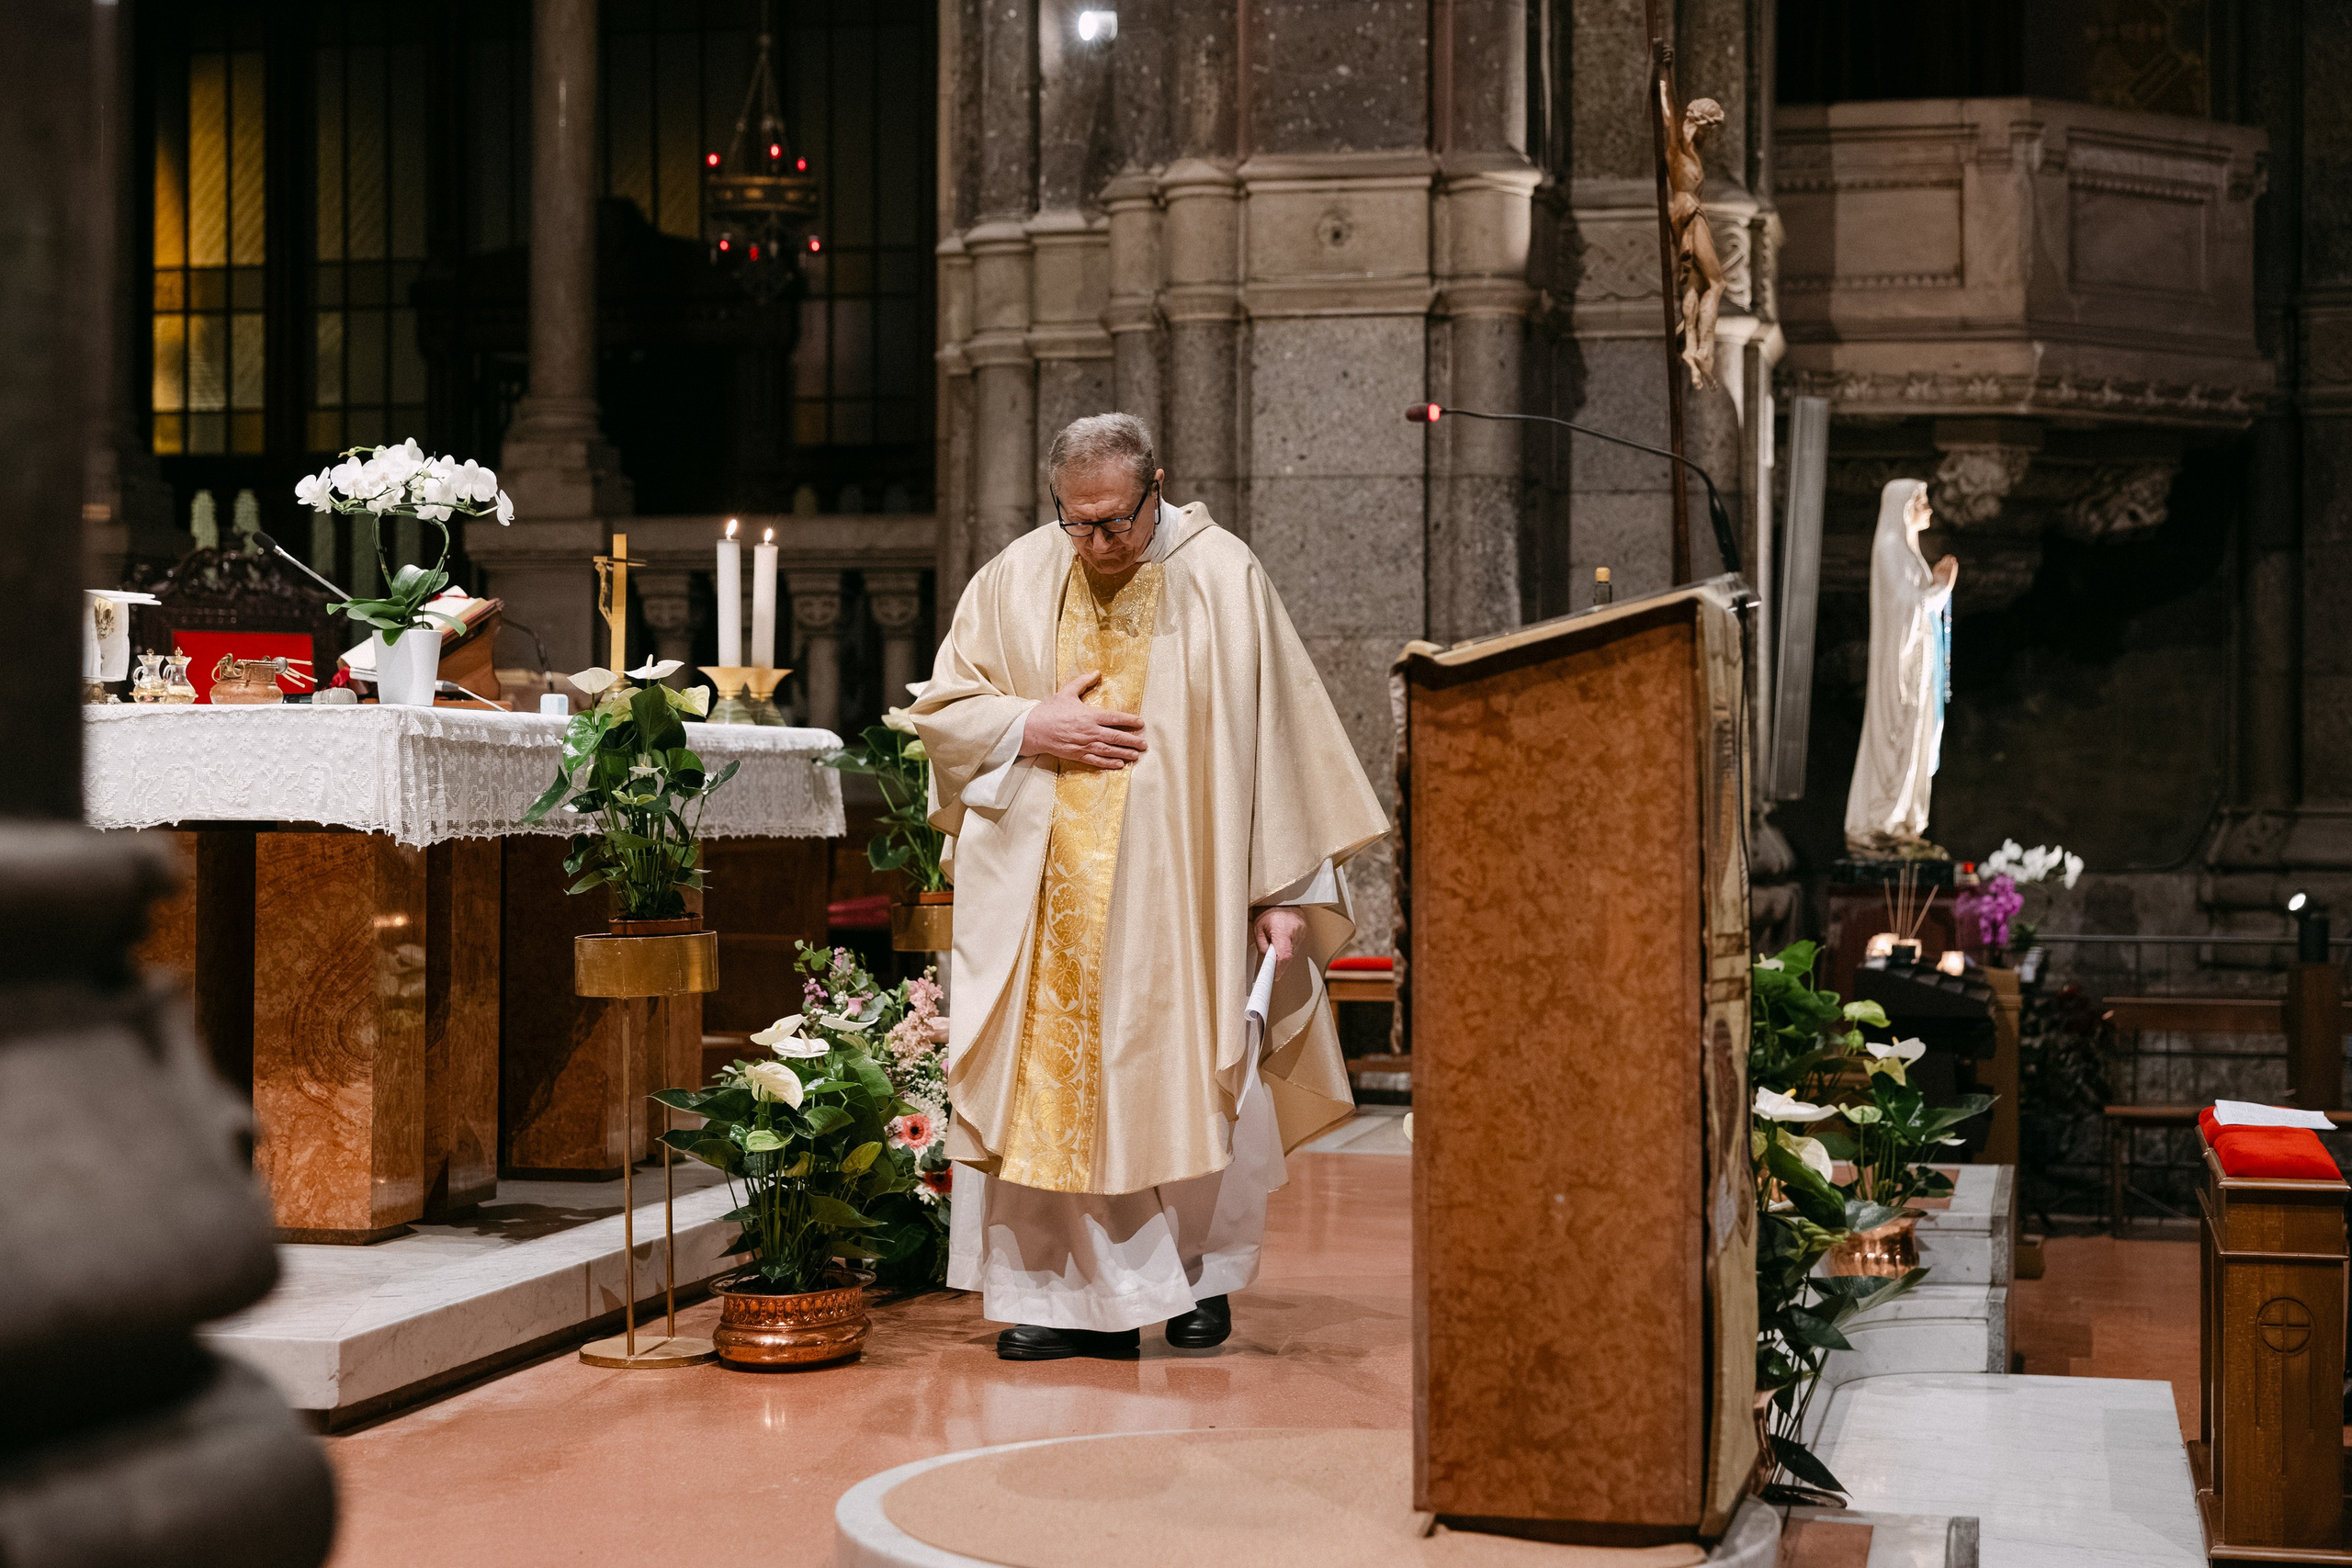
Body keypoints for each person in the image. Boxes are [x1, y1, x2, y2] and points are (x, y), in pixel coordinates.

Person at [906, 412, 1388, 1359]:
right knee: (1050, 1088)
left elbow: (1279, 745)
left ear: (1155, 485)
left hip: (1187, 896)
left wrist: (1283, 892)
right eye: (1076, 522)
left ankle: (1199, 1283)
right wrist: (1026, 727)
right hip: (1045, 900)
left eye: (1115, 521)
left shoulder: (1224, 576)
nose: (1096, 543)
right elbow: (946, 706)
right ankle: (1066, 1302)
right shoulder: (1016, 575)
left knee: (1191, 1076)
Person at [1844, 478, 1959, 857]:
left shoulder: (1908, 551)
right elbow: (1903, 609)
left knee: (1915, 740)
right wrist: (1940, 589)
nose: (1928, 508)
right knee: (1896, 738)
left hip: (1917, 665)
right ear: (1904, 506)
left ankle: (1902, 823)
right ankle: (1881, 824)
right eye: (1921, 501)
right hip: (1900, 668)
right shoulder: (1891, 547)